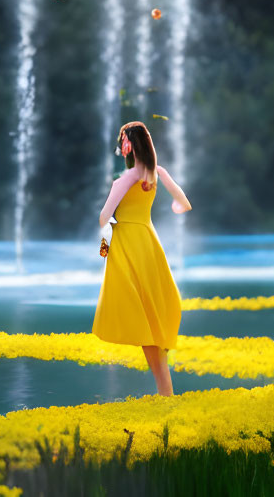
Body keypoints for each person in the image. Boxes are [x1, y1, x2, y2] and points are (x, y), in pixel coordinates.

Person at [92, 121, 192, 396]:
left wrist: (105, 246)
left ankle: (166, 395)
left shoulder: (126, 178)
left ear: (129, 145)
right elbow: (183, 203)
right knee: (151, 312)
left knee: (141, 314)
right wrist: (172, 206)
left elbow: (104, 217)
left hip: (127, 243)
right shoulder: (156, 173)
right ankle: (166, 393)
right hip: (148, 241)